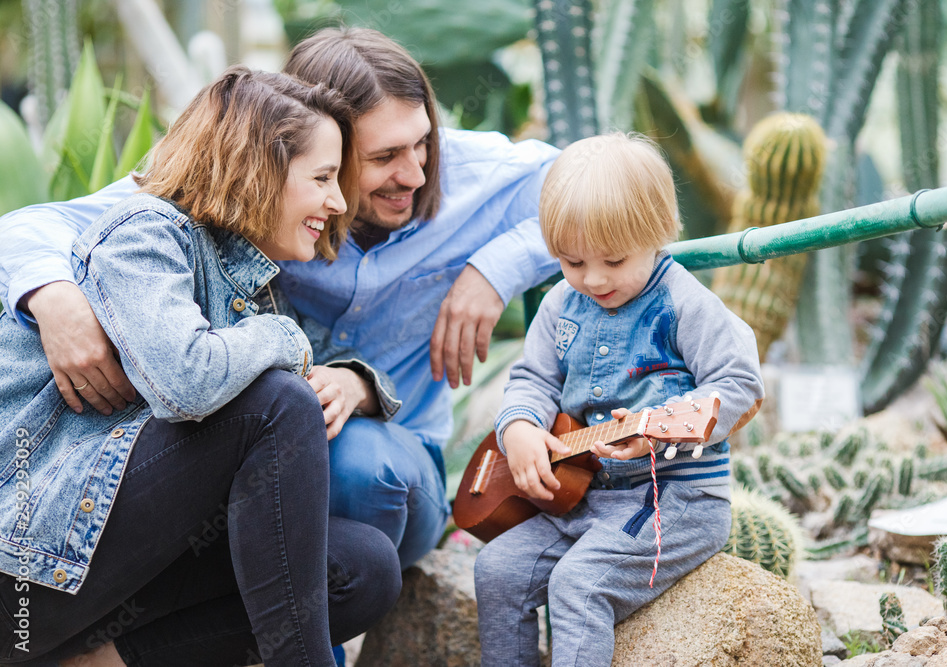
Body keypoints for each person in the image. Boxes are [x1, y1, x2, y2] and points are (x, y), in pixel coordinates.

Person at [0, 27, 562, 570]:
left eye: (424, 142)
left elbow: (617, 194)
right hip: (257, 465)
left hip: (393, 461)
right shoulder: (256, 184)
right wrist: (55, 299)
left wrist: (491, 271)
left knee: (351, 467)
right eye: (385, 155)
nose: (414, 172)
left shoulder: (477, 175)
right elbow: (35, 226)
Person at [0, 67, 401, 666]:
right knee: (277, 403)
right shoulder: (145, 236)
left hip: (95, 580)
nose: (338, 202)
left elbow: (306, 358)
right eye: (321, 178)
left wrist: (355, 381)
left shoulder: (246, 279)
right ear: (259, 169)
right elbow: (189, 382)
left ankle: (95, 660)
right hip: (25, 566)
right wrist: (282, 339)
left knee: (360, 566)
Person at [473, 133, 766, 666]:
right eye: (572, 261)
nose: (593, 278)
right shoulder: (562, 304)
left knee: (579, 587)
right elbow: (532, 379)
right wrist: (518, 426)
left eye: (612, 259)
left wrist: (659, 426)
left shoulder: (684, 304)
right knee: (497, 571)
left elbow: (739, 383)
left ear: (657, 232)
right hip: (583, 496)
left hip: (674, 503)